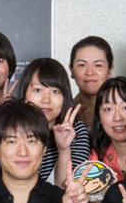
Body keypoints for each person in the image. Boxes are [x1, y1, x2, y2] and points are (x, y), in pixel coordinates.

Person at [14, 57, 90, 187]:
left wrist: (64, 150)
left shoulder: (76, 131)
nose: (46, 100)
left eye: (55, 91)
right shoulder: (12, 129)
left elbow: (69, 189)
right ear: (25, 93)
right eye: (38, 90)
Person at [92, 76, 126, 181]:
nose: (118, 118)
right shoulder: (93, 162)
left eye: (125, 108)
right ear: (99, 117)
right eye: (108, 109)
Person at [69, 36, 114, 133]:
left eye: (98, 65)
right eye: (82, 65)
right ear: (71, 70)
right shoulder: (62, 113)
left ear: (110, 70)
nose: (89, 72)